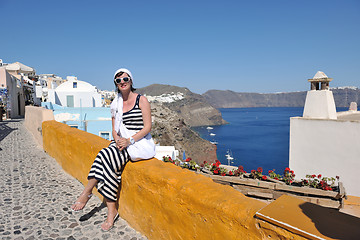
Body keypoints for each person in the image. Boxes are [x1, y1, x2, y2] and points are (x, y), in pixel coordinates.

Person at [71, 68, 155, 231]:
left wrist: (129, 141)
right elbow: (114, 130)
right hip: (120, 143)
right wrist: (117, 141)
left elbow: (147, 127)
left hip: (138, 143)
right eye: (118, 80)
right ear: (115, 84)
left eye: (125, 79)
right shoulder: (115, 103)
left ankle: (87, 192)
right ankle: (111, 211)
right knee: (108, 166)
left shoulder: (141, 100)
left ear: (131, 81)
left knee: (104, 155)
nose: (122, 82)